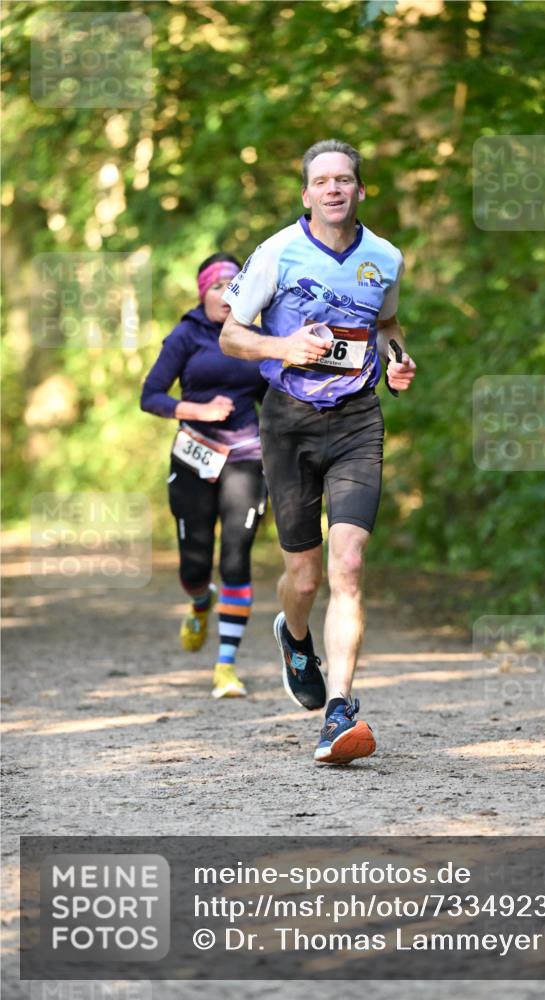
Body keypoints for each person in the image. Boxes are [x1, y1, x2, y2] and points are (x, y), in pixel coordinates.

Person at [220, 139, 416, 764]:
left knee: (349, 566)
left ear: (360, 191)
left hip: (358, 421)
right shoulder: (278, 251)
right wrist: (283, 349)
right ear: (306, 194)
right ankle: (295, 636)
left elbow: (386, 325)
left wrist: (397, 360)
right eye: (322, 181)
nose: (333, 189)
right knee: (303, 577)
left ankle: (339, 710)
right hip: (289, 423)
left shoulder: (385, 258)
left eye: (345, 180)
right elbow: (231, 334)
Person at [141, 252, 267, 698]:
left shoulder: (256, 334)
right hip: (194, 455)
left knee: (236, 556)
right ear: (203, 292)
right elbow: (150, 395)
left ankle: (226, 666)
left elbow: (276, 391)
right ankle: (199, 599)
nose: (226, 294)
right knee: (195, 563)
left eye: (234, 285)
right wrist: (199, 409)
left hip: (246, 456)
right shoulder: (186, 335)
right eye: (217, 286)